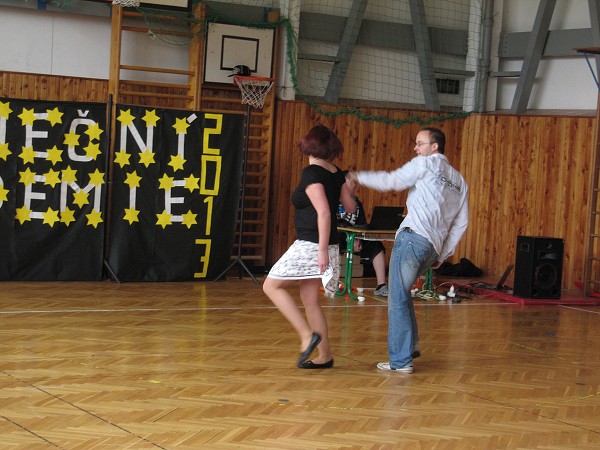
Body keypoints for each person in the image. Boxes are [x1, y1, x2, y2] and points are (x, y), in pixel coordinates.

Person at [347, 127, 468, 373]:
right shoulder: (459, 180)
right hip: (432, 247)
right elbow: (460, 223)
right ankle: (409, 345)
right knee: (402, 294)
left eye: (420, 143)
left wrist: (358, 176)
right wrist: (443, 254)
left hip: (413, 239)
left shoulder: (425, 164)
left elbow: (391, 181)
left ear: (435, 147)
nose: (416, 148)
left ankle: (400, 361)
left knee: (397, 298)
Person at [263, 125, 356, 369]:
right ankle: (325, 356)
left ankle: (307, 335)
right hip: (325, 243)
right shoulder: (337, 173)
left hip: (313, 244)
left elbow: (324, 213)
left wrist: (322, 250)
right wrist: (350, 187)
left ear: (309, 146)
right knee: (309, 298)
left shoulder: (312, 173)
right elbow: (350, 208)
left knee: (271, 286)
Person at [337, 184, 389, 296]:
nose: (352, 187)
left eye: (353, 185)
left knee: (376, 245)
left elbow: (362, 224)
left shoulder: (357, 204)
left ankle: (381, 285)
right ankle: (332, 282)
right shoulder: (332, 201)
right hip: (338, 237)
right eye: (349, 184)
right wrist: (348, 239)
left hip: (355, 237)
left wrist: (357, 238)